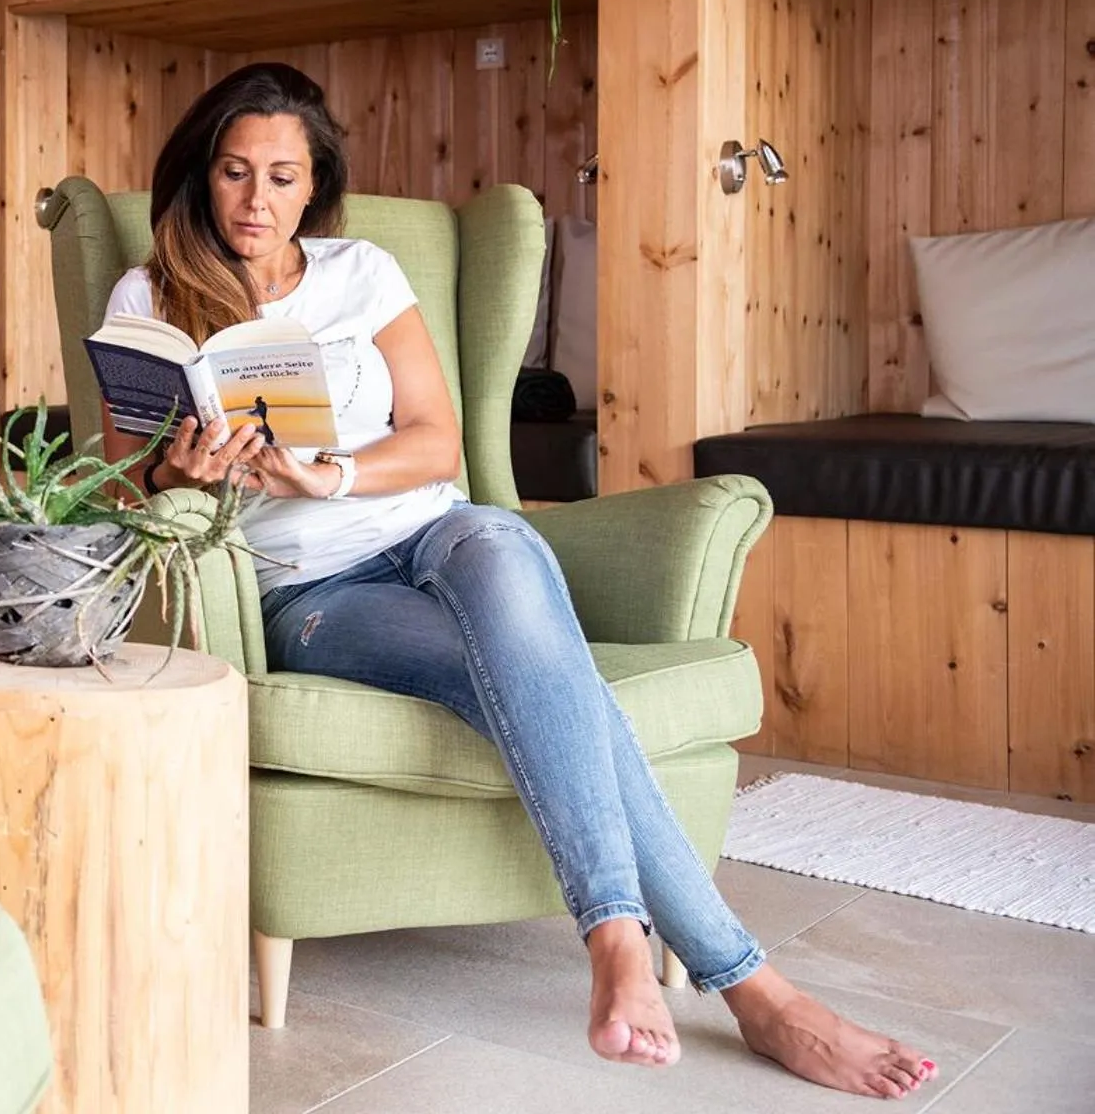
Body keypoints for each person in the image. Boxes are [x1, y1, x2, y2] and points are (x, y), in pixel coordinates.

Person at [100, 61, 937, 1100]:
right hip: (312, 593)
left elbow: (438, 440)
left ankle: (621, 937)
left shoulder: (362, 271)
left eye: (282, 176)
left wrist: (333, 472)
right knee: (544, 674)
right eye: (234, 173)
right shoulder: (148, 294)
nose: (256, 200)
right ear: (201, 175)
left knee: (500, 550)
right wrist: (175, 471)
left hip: (432, 531)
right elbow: (129, 482)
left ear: (314, 184)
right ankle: (748, 985)